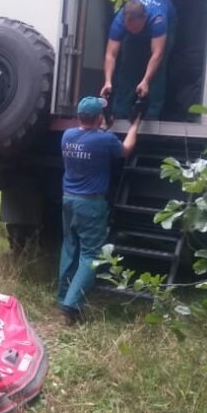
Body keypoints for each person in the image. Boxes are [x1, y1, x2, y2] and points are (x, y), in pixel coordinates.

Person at [57, 96, 141, 324]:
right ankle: (71, 306)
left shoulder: (67, 136)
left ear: (79, 117)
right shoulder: (105, 140)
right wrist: (135, 125)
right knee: (90, 254)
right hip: (90, 203)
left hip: (68, 199)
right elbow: (125, 150)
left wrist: (101, 127)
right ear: (98, 118)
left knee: (69, 247)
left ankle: (63, 296)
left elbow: (90, 137)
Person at [100, 0, 177, 121]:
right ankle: (120, 112)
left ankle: (151, 114)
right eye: (128, 28)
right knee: (127, 67)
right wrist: (107, 81)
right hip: (138, 26)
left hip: (167, 23)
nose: (132, 30)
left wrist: (146, 81)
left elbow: (157, 54)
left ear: (144, 18)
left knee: (158, 69)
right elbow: (110, 55)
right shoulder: (119, 21)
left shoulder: (158, 19)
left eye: (135, 27)